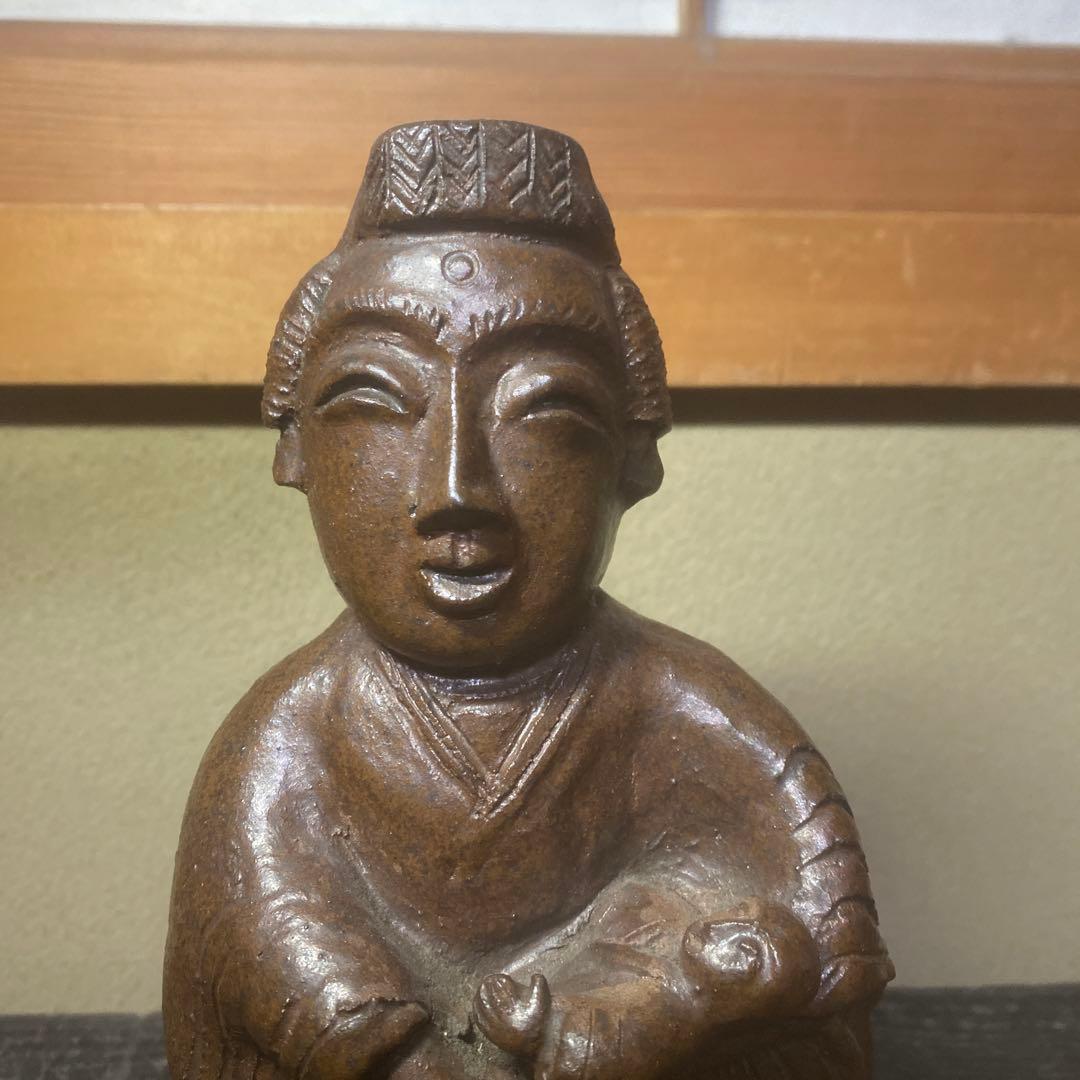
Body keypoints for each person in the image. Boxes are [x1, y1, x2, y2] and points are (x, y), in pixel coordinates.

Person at [164, 120, 893, 1080]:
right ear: (295, 448)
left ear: (634, 454)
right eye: (375, 401)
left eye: (544, 408)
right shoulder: (287, 740)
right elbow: (265, 942)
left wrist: (669, 1002)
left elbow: (820, 959)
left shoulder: (699, 720)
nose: (455, 487)